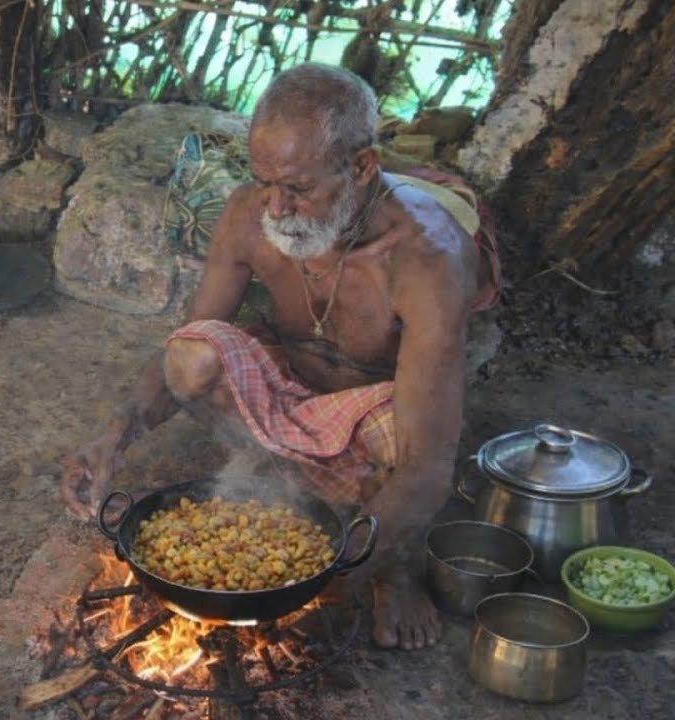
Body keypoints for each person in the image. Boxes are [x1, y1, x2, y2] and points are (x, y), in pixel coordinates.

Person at [59, 63, 500, 651]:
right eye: (264, 180)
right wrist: (110, 439)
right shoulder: (250, 216)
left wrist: (342, 565)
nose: (277, 208)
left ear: (362, 168)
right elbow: (188, 342)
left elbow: (428, 463)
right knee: (192, 355)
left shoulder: (425, 260)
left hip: (377, 405)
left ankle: (398, 573)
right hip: (292, 384)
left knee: (403, 441)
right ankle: (281, 478)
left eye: (298, 188)